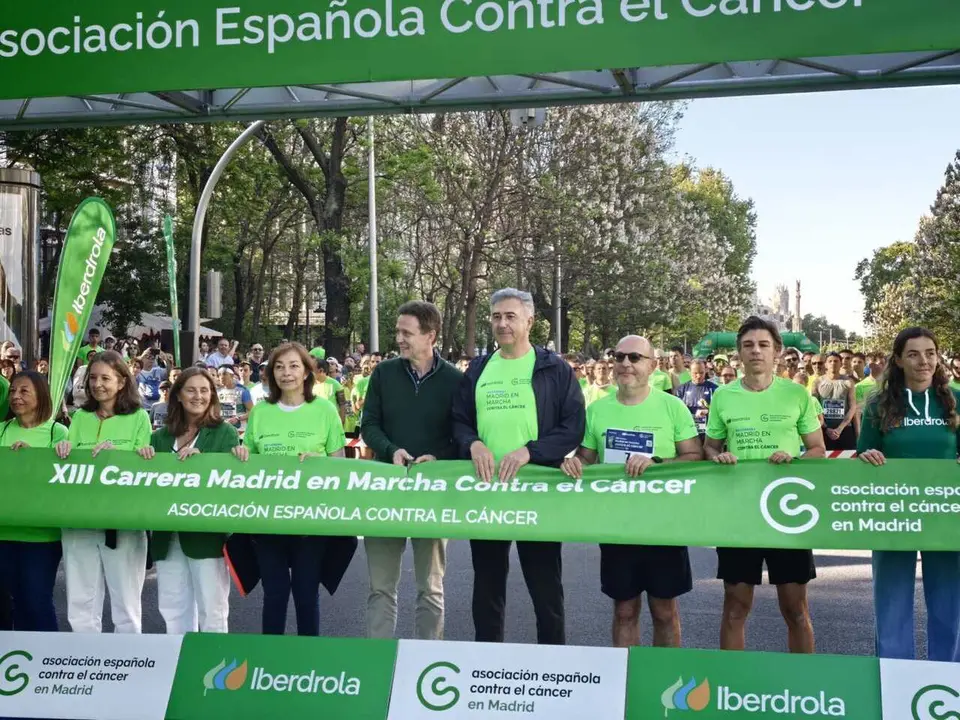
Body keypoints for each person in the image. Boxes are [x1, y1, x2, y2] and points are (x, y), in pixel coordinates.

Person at [452, 288, 585, 645]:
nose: (502, 324)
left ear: (529, 321)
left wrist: (530, 452)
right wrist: (473, 443)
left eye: (511, 316)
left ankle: (552, 661)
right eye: (496, 316)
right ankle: (487, 659)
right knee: (487, 587)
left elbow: (573, 425)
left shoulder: (554, 368)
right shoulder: (479, 368)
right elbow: (459, 420)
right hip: (487, 491)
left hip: (536, 491)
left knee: (545, 588)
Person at [561, 336, 701, 648]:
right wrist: (574, 463)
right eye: (619, 356)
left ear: (652, 366)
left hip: (663, 525)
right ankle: (625, 674)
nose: (625, 363)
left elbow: (694, 457)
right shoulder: (597, 410)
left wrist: (657, 462)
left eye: (635, 357)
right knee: (624, 611)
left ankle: (662, 674)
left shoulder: (672, 407)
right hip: (618, 524)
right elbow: (586, 458)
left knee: (664, 612)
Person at [704, 317, 825, 654]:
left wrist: (795, 459)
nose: (755, 351)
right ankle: (732, 680)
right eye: (748, 345)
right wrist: (717, 456)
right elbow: (709, 447)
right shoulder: (723, 396)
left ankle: (803, 680)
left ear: (777, 352)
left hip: (786, 511)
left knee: (795, 608)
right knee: (735, 607)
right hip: (740, 512)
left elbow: (817, 449)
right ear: (738, 353)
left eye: (763, 345)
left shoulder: (796, 394)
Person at [360, 301, 462, 640]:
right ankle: (378, 658)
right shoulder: (383, 373)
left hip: (432, 496)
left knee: (430, 589)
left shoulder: (455, 380)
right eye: (398, 332)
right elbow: (369, 425)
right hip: (385, 493)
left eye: (407, 332)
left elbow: (463, 434)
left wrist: (439, 457)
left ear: (430, 335)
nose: (399, 339)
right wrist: (391, 450)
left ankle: (427, 659)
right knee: (380, 588)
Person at [232, 342, 348, 636]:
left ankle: (308, 656)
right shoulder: (261, 412)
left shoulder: (325, 410)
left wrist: (319, 463)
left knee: (306, 595)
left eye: (294, 366)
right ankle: (271, 657)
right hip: (267, 519)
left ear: (307, 372)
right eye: (280, 367)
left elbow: (340, 465)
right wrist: (241, 454)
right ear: (271, 373)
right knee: (275, 594)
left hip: (311, 520)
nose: (287, 373)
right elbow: (249, 461)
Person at [858, 327, 960, 662]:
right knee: (891, 602)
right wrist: (868, 456)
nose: (923, 361)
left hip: (946, 515)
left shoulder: (955, 399)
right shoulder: (879, 404)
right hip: (893, 513)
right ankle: (894, 676)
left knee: (950, 601)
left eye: (930, 353)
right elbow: (864, 453)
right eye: (913, 354)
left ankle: (948, 677)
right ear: (899, 360)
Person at [54, 350, 152, 633]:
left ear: (122, 382)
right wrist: (63, 448)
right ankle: (86, 657)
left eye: (105, 378)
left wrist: (119, 457)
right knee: (80, 605)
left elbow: (143, 466)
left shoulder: (139, 417)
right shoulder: (80, 417)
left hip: (123, 523)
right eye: (93, 378)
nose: (97, 384)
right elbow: (68, 465)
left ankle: (129, 658)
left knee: (126, 607)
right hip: (79, 520)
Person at [138, 367, 238, 633]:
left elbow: (228, 483)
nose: (198, 396)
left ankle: (213, 657)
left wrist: (202, 466)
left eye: (204, 390)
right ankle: (179, 656)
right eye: (191, 390)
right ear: (178, 396)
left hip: (206, 537)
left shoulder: (225, 433)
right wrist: (143, 457)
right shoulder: (158, 438)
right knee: (173, 608)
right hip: (167, 536)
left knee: (212, 610)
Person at [0, 372, 68, 631]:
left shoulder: (57, 432)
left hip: (42, 536)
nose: (16, 396)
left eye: (24, 391)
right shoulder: (2, 429)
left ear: (41, 395)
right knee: (11, 602)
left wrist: (35, 462)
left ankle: (47, 654)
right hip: (4, 532)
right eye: (13, 391)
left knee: (36, 601)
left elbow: (64, 478)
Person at [812, 352, 858, 451]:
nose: (833, 363)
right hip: (823, 429)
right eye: (830, 361)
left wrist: (840, 428)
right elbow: (814, 406)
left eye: (836, 361)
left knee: (848, 458)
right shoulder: (817, 382)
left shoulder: (848, 382)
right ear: (825, 364)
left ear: (841, 363)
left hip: (845, 429)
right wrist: (826, 427)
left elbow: (852, 406)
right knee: (823, 458)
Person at [675, 359, 717, 440]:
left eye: (701, 373)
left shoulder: (713, 388)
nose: (698, 376)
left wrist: (707, 411)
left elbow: (719, 410)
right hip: (688, 433)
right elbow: (676, 412)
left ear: (706, 371)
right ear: (689, 372)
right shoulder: (682, 389)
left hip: (708, 434)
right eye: (695, 373)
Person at [313, 358, 347, 423]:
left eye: (312, 370)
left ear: (321, 370)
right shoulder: (310, 385)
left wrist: (341, 422)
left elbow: (342, 405)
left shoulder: (336, 385)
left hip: (331, 422)